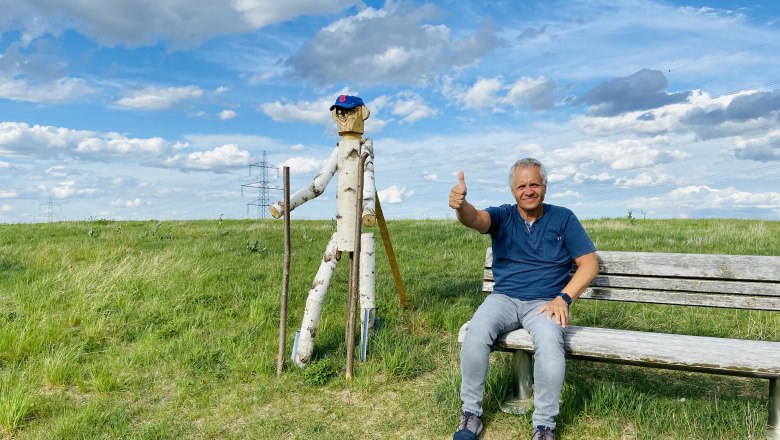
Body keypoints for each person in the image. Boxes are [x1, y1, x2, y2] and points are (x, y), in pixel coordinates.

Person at [448, 158, 598, 440]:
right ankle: (470, 415)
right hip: (504, 299)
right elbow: (475, 218)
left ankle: (544, 426)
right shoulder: (503, 216)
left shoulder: (563, 218)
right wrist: (461, 206)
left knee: (550, 342)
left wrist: (563, 298)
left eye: (534, 184)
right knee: (475, 331)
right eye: (521, 186)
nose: (528, 191)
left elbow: (589, 264)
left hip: (545, 303)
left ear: (544, 187)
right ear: (512, 190)